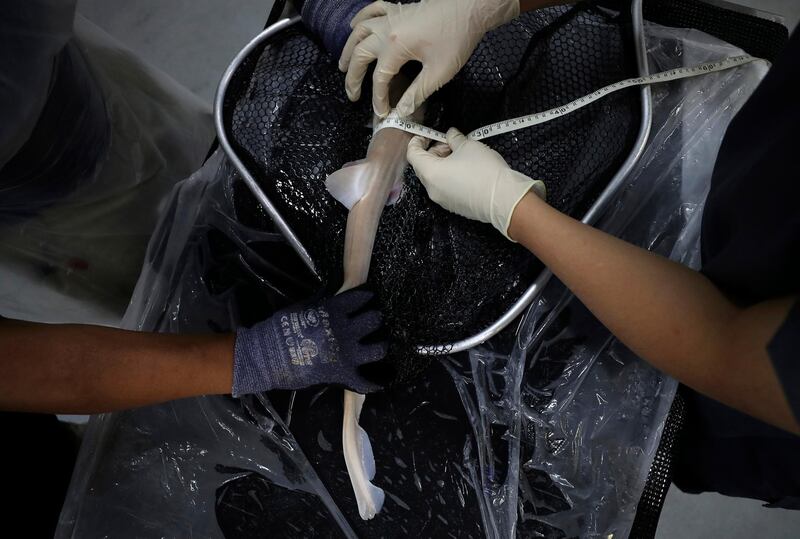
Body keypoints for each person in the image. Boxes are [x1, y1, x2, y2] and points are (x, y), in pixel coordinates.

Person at [339, 0, 800, 509]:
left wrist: (514, 209)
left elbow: (729, 349)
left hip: (729, 383)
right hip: (761, 187)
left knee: (614, 404)